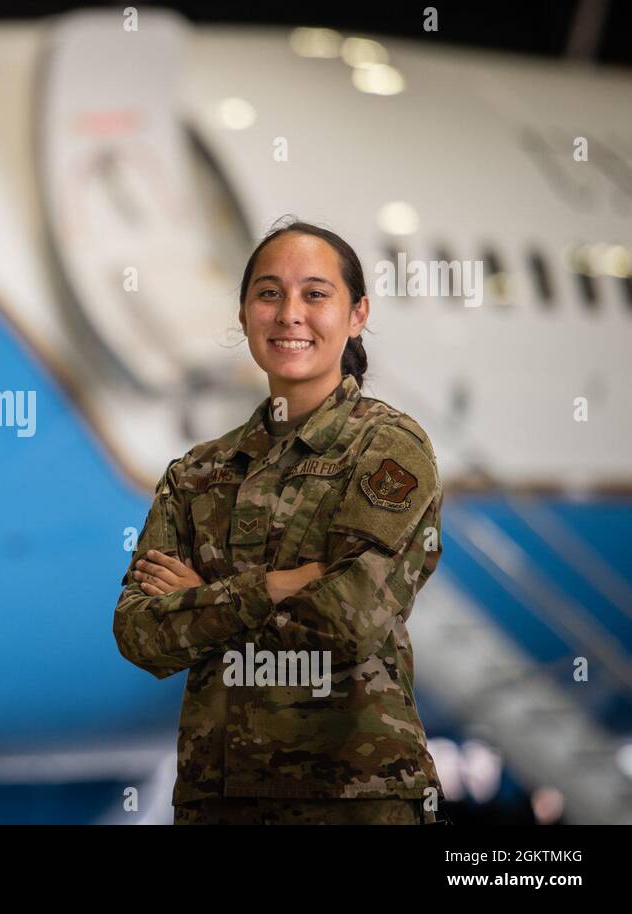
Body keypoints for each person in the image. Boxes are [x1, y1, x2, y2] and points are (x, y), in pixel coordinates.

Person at [112, 218, 446, 825]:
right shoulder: (198, 472)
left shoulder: (386, 448)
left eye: (316, 294)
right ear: (244, 315)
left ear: (357, 314)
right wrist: (276, 585)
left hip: (358, 801)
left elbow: (351, 621)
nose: (290, 313)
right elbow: (140, 636)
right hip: (217, 804)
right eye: (269, 293)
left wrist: (205, 604)